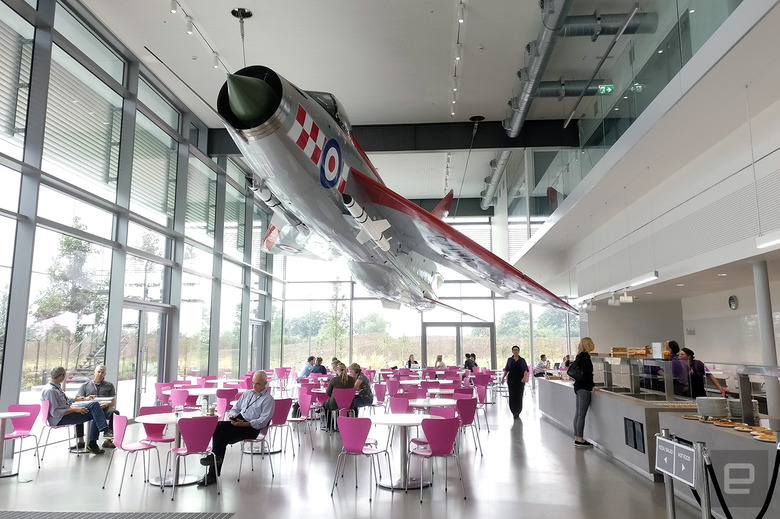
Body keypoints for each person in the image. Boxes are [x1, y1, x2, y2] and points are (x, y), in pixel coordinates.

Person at [199, 370, 275, 487]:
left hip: (251, 427)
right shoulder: (247, 393)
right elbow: (235, 408)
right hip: (238, 420)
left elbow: (263, 421)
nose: (254, 386)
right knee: (217, 427)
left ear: (265, 383)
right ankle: (215, 459)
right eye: (253, 383)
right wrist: (233, 416)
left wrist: (245, 424)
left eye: (258, 384)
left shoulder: (268, 400)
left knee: (222, 437)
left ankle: (213, 470)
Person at [41, 366, 109, 455]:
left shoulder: (55, 387)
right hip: (61, 419)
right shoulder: (50, 391)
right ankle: (97, 440)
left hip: (66, 413)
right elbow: (55, 413)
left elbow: (67, 400)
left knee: (95, 406)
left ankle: (100, 434)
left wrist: (84, 398)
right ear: (62, 375)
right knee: (96, 411)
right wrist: (76, 410)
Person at [75, 365, 119, 449]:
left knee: (114, 412)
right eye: (98, 372)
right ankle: (81, 441)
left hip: (104, 408)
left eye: (102, 372)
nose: (100, 374)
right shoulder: (85, 386)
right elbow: (78, 398)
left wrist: (106, 404)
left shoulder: (109, 385)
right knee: (78, 413)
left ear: (105, 374)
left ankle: (108, 440)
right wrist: (86, 399)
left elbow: (113, 402)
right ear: (94, 373)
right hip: (89, 408)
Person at [573, 337, 596, 447]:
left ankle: (577, 437)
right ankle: (580, 439)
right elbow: (588, 374)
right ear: (587, 345)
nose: (593, 345)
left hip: (578, 386)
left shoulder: (579, 356)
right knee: (581, 414)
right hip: (584, 387)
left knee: (578, 413)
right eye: (592, 343)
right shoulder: (586, 357)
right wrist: (592, 386)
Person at [502, 345, 529, 419]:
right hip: (511, 380)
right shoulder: (509, 360)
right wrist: (503, 378)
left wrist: (524, 377)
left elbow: (525, 370)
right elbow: (506, 370)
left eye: (517, 350)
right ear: (512, 351)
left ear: (519, 351)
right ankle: (513, 411)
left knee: (519, 395)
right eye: (514, 350)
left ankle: (518, 411)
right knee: (512, 395)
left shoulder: (522, 360)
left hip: (520, 380)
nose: (515, 351)